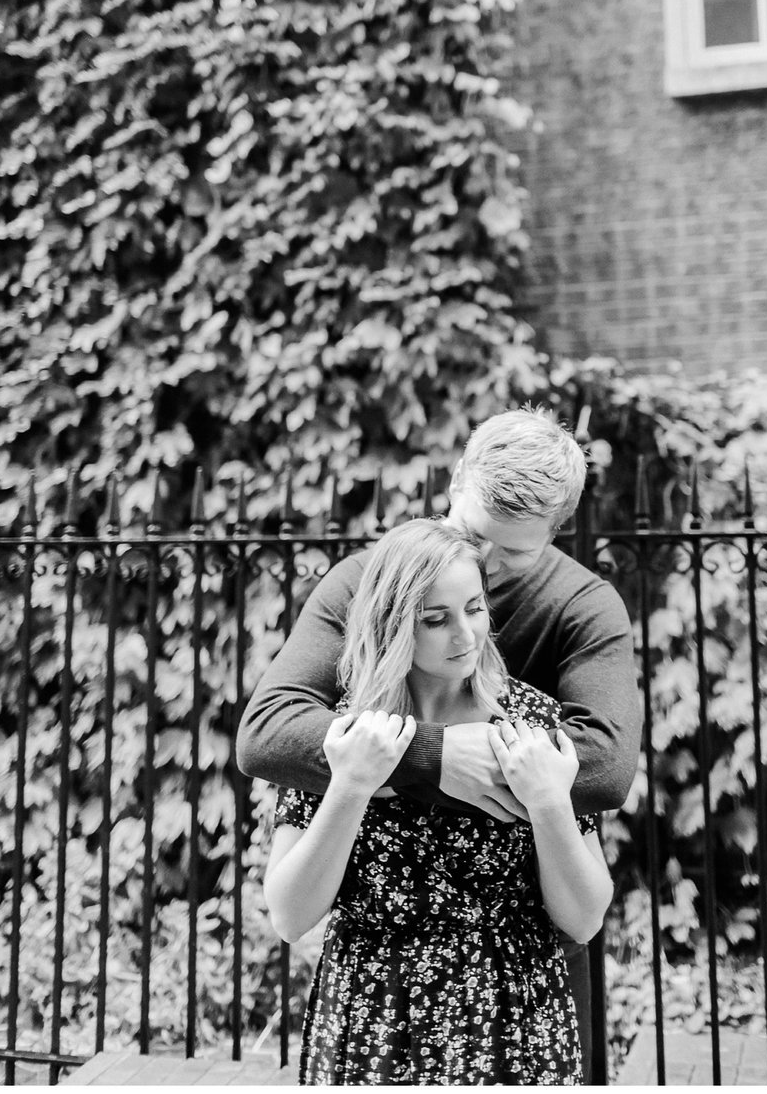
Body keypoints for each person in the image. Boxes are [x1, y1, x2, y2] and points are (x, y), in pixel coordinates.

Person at [238, 406, 641, 1077]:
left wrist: (517, 769)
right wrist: (426, 756)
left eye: (511, 553)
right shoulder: (369, 595)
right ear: (456, 482)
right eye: (475, 534)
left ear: (554, 532)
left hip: (521, 988)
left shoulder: (582, 611)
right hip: (375, 1011)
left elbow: (600, 770)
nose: (481, 567)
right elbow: (268, 735)